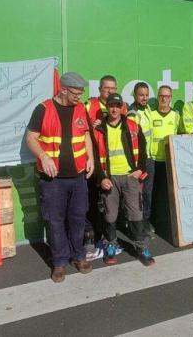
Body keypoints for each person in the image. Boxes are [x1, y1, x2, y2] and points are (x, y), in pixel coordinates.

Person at [25, 71, 95, 283]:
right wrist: (43, 156)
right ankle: (59, 262)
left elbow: (85, 136)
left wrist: (90, 157)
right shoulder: (43, 109)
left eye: (81, 93)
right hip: (53, 180)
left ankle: (79, 256)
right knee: (54, 221)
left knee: (78, 218)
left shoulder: (81, 109)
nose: (79, 97)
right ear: (63, 89)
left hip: (78, 177)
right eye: (75, 92)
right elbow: (30, 138)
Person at [93, 93, 155, 267]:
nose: (114, 109)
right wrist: (102, 177)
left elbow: (143, 151)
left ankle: (141, 248)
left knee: (136, 214)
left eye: (117, 105)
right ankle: (111, 245)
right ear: (107, 106)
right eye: (111, 105)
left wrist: (140, 170)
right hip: (110, 179)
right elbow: (96, 158)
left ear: (122, 108)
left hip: (130, 177)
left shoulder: (133, 126)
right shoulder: (99, 130)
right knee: (110, 215)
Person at [84, 75, 126, 255]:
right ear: (100, 89)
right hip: (92, 162)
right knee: (92, 202)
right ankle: (91, 237)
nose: (110, 91)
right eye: (107, 88)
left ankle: (107, 238)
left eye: (113, 88)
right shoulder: (90, 105)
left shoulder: (119, 107)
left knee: (108, 204)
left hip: (112, 165)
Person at [146, 85, 181, 234]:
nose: (164, 98)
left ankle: (163, 221)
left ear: (170, 98)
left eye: (167, 96)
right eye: (161, 96)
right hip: (153, 160)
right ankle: (147, 221)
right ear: (158, 97)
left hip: (169, 161)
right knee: (149, 192)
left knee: (166, 193)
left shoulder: (176, 116)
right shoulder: (151, 114)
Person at [127, 82, 156, 235]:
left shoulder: (148, 109)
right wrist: (138, 164)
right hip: (140, 162)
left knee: (148, 193)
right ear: (135, 95)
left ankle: (146, 221)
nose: (144, 98)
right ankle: (138, 226)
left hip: (150, 159)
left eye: (146, 95)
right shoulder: (132, 113)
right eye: (141, 95)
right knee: (138, 194)